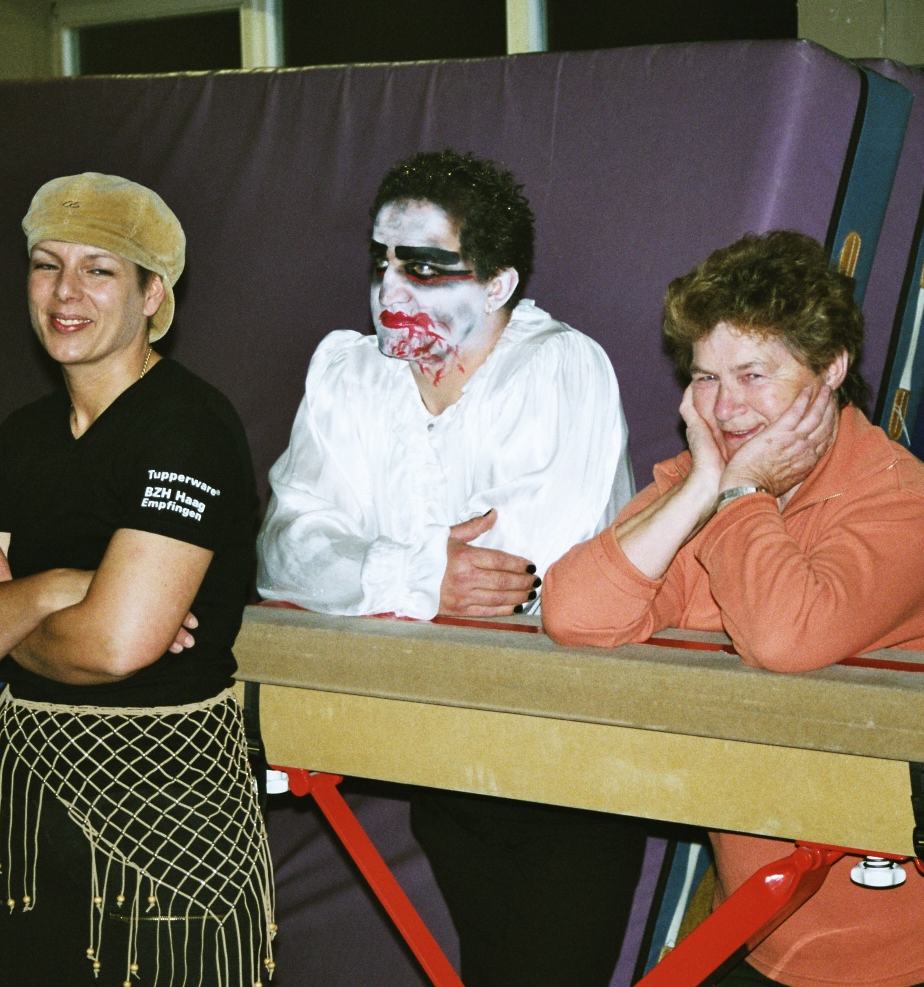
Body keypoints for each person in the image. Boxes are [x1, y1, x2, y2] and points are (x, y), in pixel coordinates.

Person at [543, 231, 924, 987]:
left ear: (831, 367)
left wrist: (738, 494)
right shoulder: (706, 486)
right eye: (706, 377)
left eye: (753, 374)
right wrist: (702, 487)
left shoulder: (905, 505)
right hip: (769, 920)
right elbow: (574, 613)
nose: (726, 406)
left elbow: (784, 636)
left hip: (921, 942)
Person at [257, 150, 644, 986]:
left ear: (498, 285)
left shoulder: (562, 368)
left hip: (567, 760)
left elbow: (518, 583)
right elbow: (284, 551)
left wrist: (367, 566)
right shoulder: (350, 373)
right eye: (382, 262)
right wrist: (422, 572)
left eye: (427, 268)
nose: (390, 290)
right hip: (437, 749)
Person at [0, 173, 274, 987]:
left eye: (99, 270)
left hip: (168, 812)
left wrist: (3, 614)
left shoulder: (186, 427)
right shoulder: (24, 436)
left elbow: (114, 646)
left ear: (153, 295)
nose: (65, 293)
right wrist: (59, 589)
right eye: (47, 265)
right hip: (35, 810)